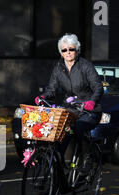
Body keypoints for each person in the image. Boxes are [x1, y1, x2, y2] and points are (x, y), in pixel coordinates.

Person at [35, 33, 103, 173]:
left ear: (77, 50)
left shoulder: (85, 66)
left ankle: (87, 159)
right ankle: (58, 165)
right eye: (64, 50)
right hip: (70, 109)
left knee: (79, 128)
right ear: (61, 52)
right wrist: (43, 97)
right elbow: (52, 88)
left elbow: (98, 87)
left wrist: (92, 101)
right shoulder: (58, 68)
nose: (68, 52)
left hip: (89, 110)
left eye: (71, 49)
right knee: (58, 132)